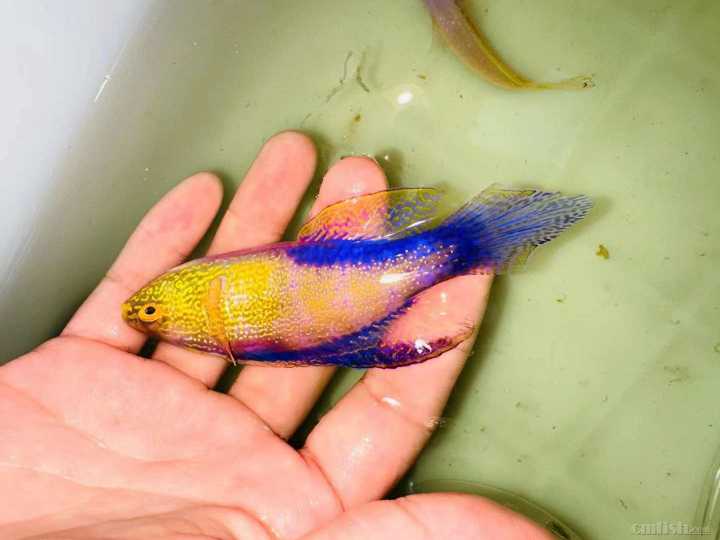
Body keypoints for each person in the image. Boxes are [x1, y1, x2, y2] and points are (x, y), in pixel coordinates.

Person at [0, 132, 553, 539]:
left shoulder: (198, 309)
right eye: (148, 310)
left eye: (148, 310)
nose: (141, 310)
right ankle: (486, 237)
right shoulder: (198, 313)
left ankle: (483, 237)